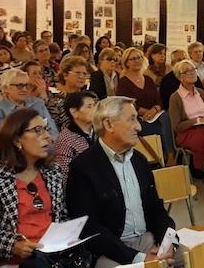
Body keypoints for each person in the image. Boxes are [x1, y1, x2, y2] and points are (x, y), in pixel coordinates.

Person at [66, 96, 178, 268]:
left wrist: (169, 242)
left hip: (148, 240)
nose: (139, 127)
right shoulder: (83, 167)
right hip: (111, 250)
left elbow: (156, 207)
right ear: (109, 124)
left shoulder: (139, 160)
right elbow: (88, 227)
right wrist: (139, 259)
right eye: (132, 119)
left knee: (200, 255)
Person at [0, 108, 77, 267]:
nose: (47, 136)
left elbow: (62, 216)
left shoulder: (53, 172)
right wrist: (12, 245)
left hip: (53, 257)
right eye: (37, 131)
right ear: (17, 140)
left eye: (46, 129)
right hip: (11, 261)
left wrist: (69, 235)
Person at [116, 47, 173, 160]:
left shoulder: (148, 79)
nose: (137, 61)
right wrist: (143, 112)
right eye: (133, 59)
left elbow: (159, 100)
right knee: (158, 129)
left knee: (166, 119)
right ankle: (160, 158)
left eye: (139, 58)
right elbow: (124, 103)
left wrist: (154, 110)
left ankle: (170, 155)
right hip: (136, 118)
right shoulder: (123, 82)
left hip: (154, 115)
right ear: (126, 62)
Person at [0, 69, 59, 137]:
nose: (24, 89)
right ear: (6, 88)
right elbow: (5, 139)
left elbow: (53, 130)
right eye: (19, 86)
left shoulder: (38, 103)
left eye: (27, 85)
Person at [54, 91, 97, 178]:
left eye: (95, 105)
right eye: (89, 106)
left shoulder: (100, 132)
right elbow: (64, 175)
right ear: (74, 112)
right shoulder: (65, 140)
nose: (95, 109)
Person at [46, 56, 89, 131]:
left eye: (84, 74)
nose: (82, 77)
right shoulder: (55, 101)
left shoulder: (90, 97)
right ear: (65, 75)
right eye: (78, 73)